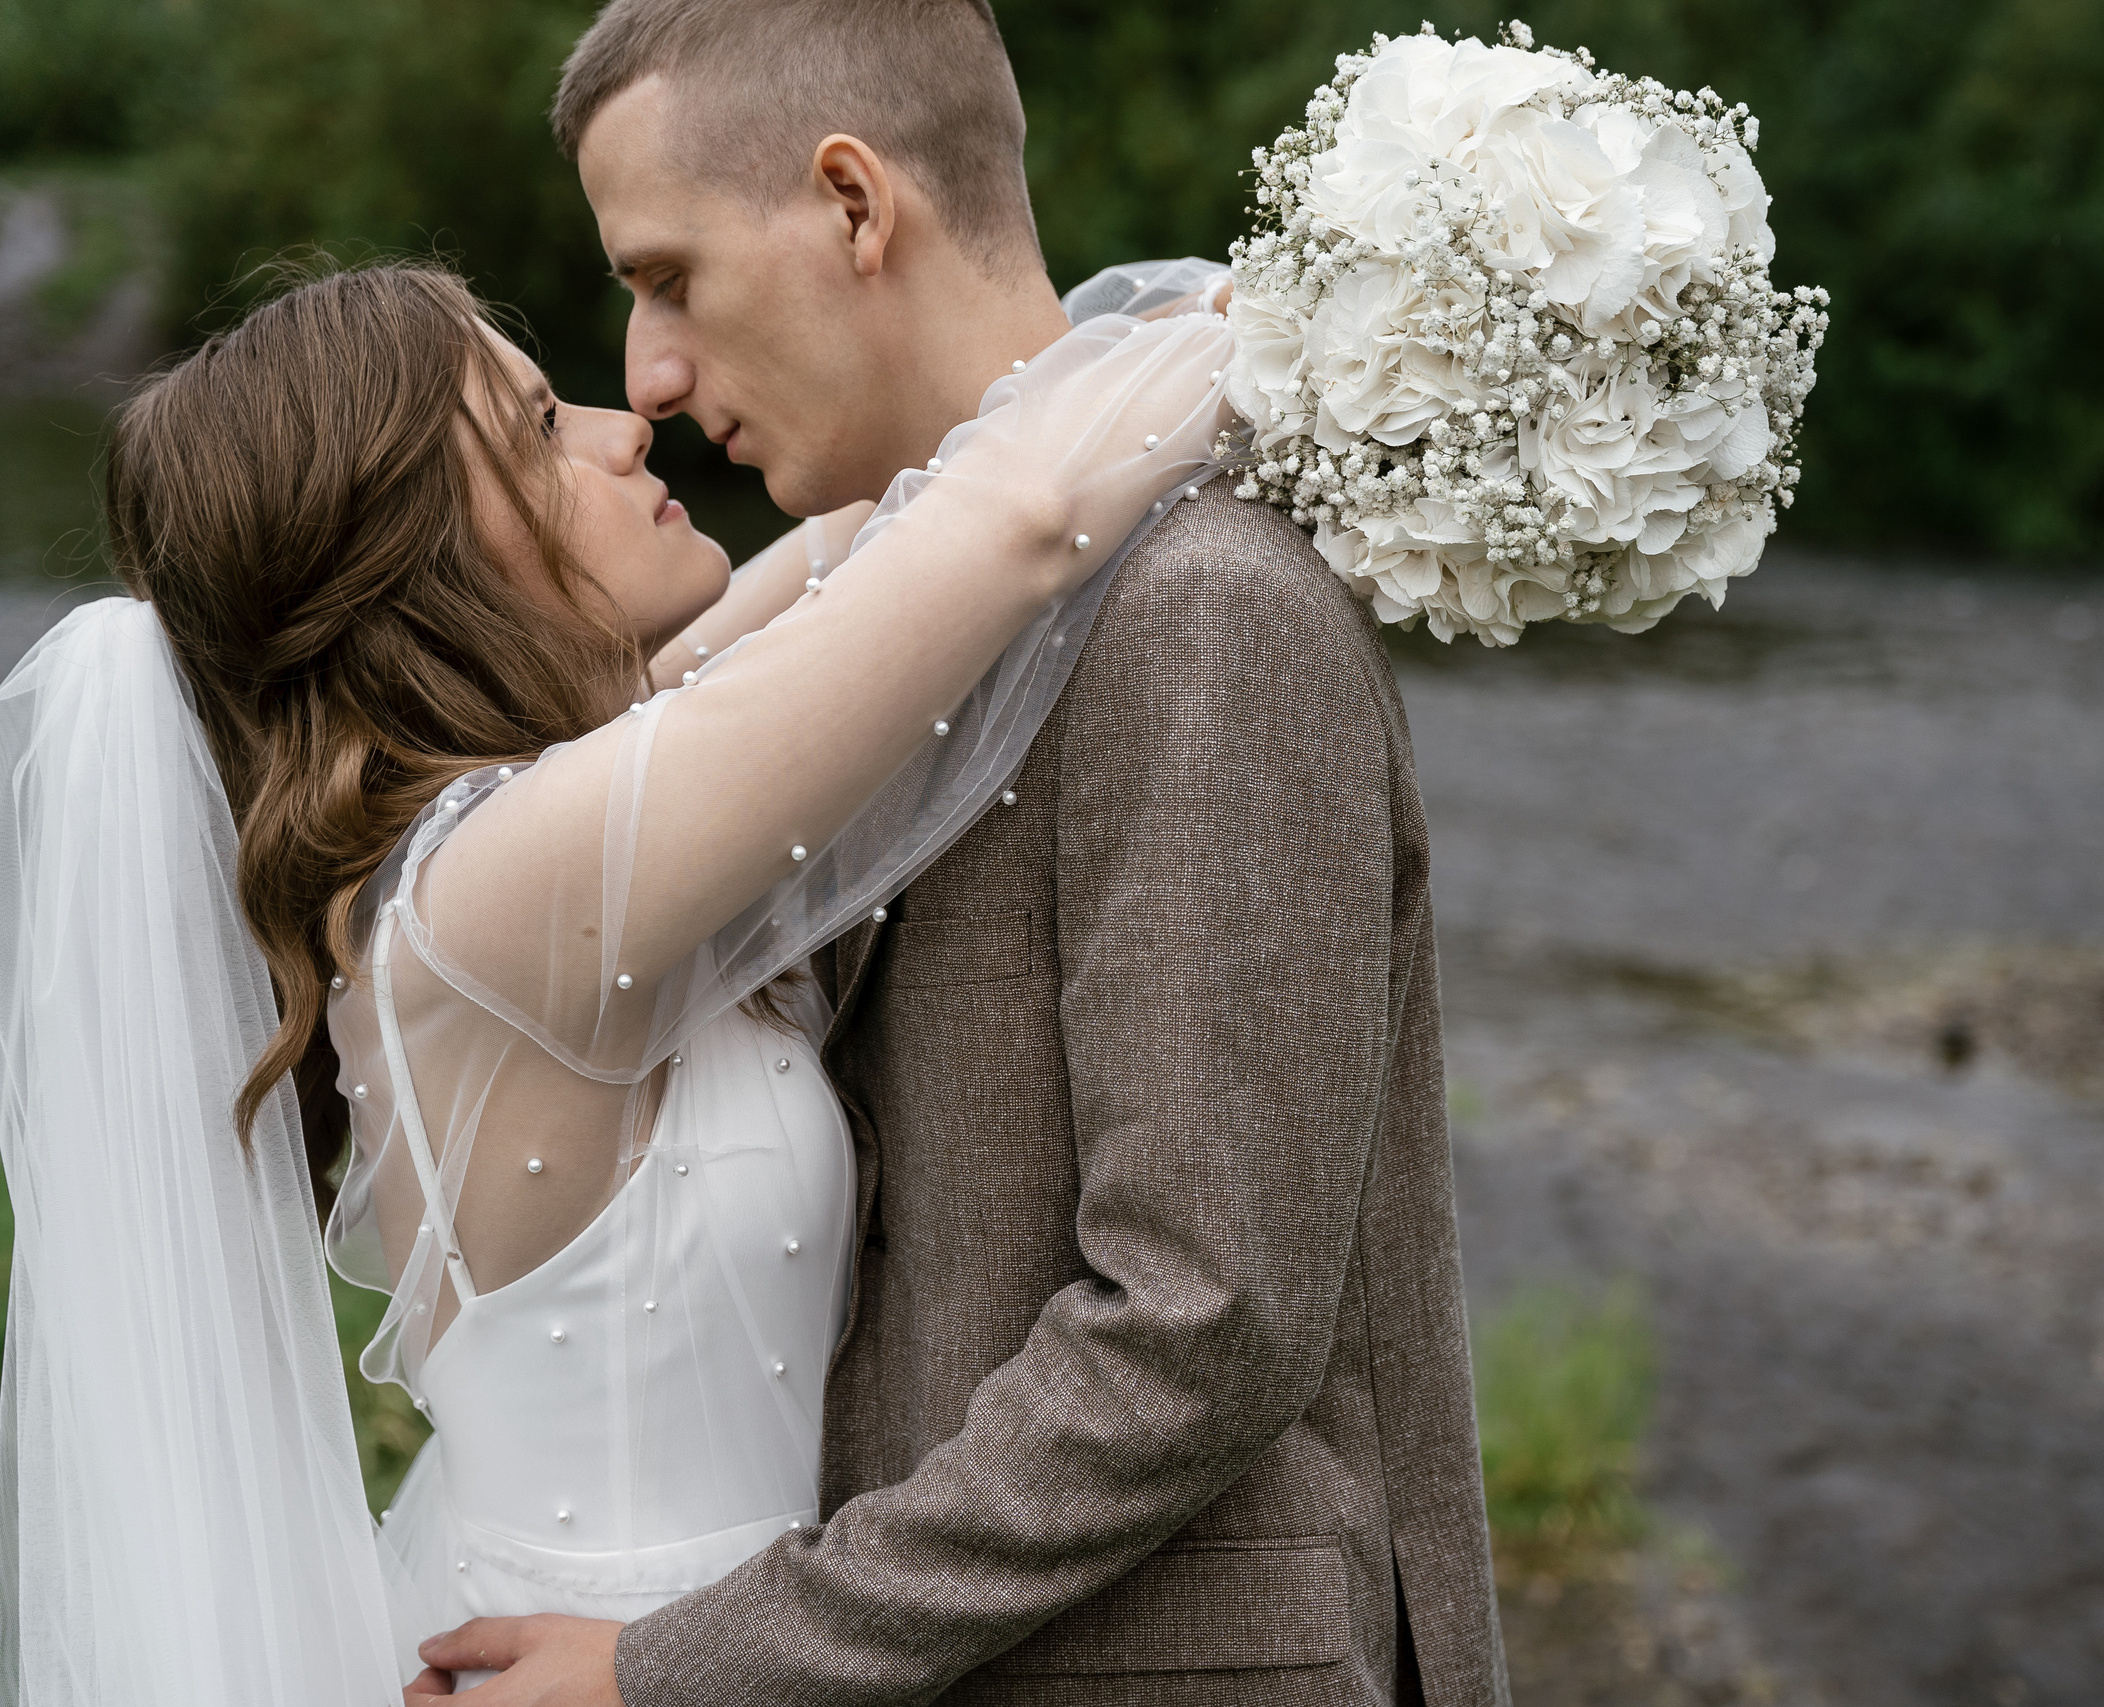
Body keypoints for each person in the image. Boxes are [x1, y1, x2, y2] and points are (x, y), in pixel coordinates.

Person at [409, 3, 1508, 1704]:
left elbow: (1200, 1329)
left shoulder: (1203, 612)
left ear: (855, 206)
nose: (647, 378)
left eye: (670, 278)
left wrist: (687, 1671)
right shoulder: (888, 620)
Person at [0, 254, 1226, 1704]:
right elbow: (1009, 523)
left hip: (687, 1644)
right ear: (421, 557)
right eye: (533, 427)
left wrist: (1189, 313)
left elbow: (863, 539)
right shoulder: (497, 892)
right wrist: (1356, 318)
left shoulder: (543, 816)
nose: (620, 423)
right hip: (625, 1660)